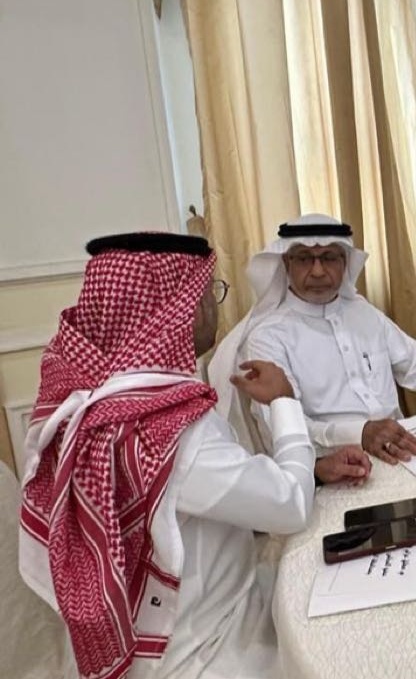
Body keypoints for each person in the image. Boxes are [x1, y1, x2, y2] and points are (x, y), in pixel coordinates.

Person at [19, 232, 370, 679]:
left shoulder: (78, 402)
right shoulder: (169, 430)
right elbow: (290, 508)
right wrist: (284, 401)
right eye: (211, 293)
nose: (215, 310)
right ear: (182, 308)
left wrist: (313, 471)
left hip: (142, 626)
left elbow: (209, 495)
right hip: (207, 648)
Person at [209, 214, 416, 467]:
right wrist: (359, 433)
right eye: (305, 259)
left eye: (328, 258)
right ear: (287, 263)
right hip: (332, 468)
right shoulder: (267, 337)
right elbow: (284, 427)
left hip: (401, 453)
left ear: (345, 261)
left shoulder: (364, 313)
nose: (317, 270)